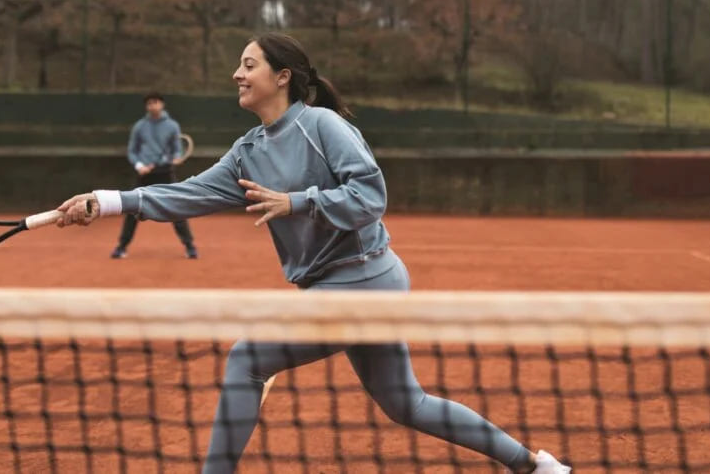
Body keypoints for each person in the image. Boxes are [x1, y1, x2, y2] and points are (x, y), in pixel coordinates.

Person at [54, 33, 570, 474]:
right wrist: (106, 202)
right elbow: (188, 193)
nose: (237, 74)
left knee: (248, 358)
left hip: (366, 279)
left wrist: (298, 202)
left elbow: (371, 195)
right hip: (339, 287)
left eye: (249, 64)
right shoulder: (249, 150)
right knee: (406, 403)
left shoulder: (323, 125)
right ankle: (536, 465)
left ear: (283, 77)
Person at [110, 92, 198, 260]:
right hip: (144, 175)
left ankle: (190, 246)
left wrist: (167, 160)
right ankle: (121, 246)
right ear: (146, 106)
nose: (153, 106)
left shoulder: (172, 126)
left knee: (177, 209)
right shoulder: (139, 126)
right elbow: (132, 150)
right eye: (150, 103)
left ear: (162, 104)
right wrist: (139, 165)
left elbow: (177, 150)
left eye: (156, 102)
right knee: (132, 209)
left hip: (165, 173)